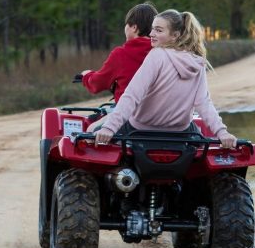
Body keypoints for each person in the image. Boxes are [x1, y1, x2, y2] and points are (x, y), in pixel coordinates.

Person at [94, 10, 238, 149]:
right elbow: (203, 103)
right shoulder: (197, 61)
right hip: (181, 133)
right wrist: (221, 132)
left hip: (141, 130)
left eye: (158, 30)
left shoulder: (157, 55)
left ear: (175, 35)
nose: (151, 34)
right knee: (201, 141)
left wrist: (109, 128)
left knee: (91, 135)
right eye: (152, 29)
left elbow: (132, 95)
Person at [80, 2, 158, 103]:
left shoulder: (121, 54)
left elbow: (97, 83)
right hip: (158, 114)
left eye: (126, 24)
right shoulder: (162, 52)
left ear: (134, 27)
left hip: (128, 115)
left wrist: (86, 75)